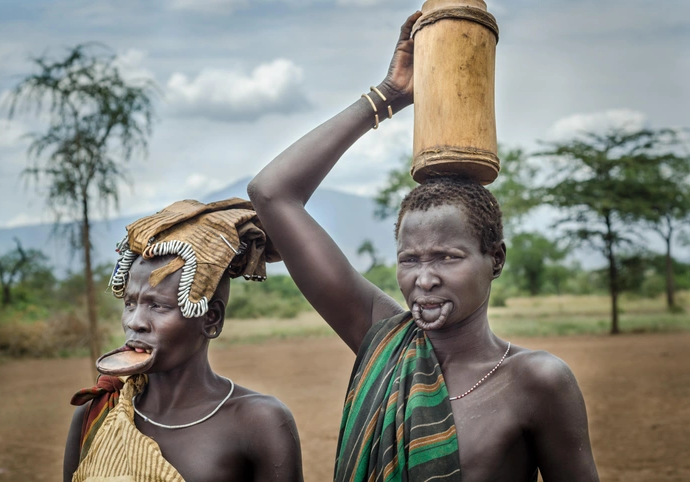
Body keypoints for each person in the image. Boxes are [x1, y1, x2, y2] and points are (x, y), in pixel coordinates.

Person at [247, 11, 600, 482]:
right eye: (409, 259)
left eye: (447, 258)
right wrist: (387, 96)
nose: (424, 279)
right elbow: (271, 192)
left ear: (495, 259)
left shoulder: (537, 381)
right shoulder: (384, 340)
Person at [63, 198, 304, 482]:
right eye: (130, 303)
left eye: (157, 306)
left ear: (211, 318)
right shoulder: (99, 413)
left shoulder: (260, 423)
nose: (134, 321)